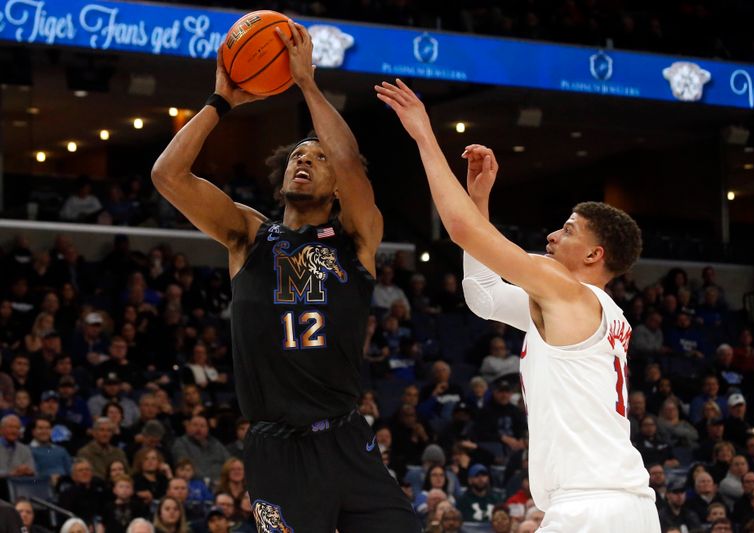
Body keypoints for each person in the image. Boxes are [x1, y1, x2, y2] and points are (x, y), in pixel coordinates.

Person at [152, 23, 416, 533]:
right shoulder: (248, 235)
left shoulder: (357, 239)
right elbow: (168, 176)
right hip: (279, 447)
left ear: (338, 188)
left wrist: (307, 84)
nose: (306, 159)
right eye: (298, 154)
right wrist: (220, 101)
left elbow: (348, 159)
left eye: (317, 158)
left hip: (345, 437)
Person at [376, 78, 657, 532]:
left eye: (566, 230)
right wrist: (479, 200)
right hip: (615, 505)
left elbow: (464, 232)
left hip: (593, 508)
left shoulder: (568, 293)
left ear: (593, 255)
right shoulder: (584, 311)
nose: (551, 236)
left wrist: (423, 134)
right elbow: (483, 295)